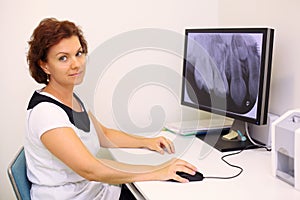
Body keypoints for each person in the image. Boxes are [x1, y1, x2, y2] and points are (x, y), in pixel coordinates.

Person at [24, 17, 197, 200]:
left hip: (95, 192)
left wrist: (146, 141)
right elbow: (90, 169)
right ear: (44, 65)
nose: (76, 64)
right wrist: (158, 171)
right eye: (63, 58)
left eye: (79, 53)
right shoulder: (45, 113)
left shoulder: (72, 97)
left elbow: (103, 134)